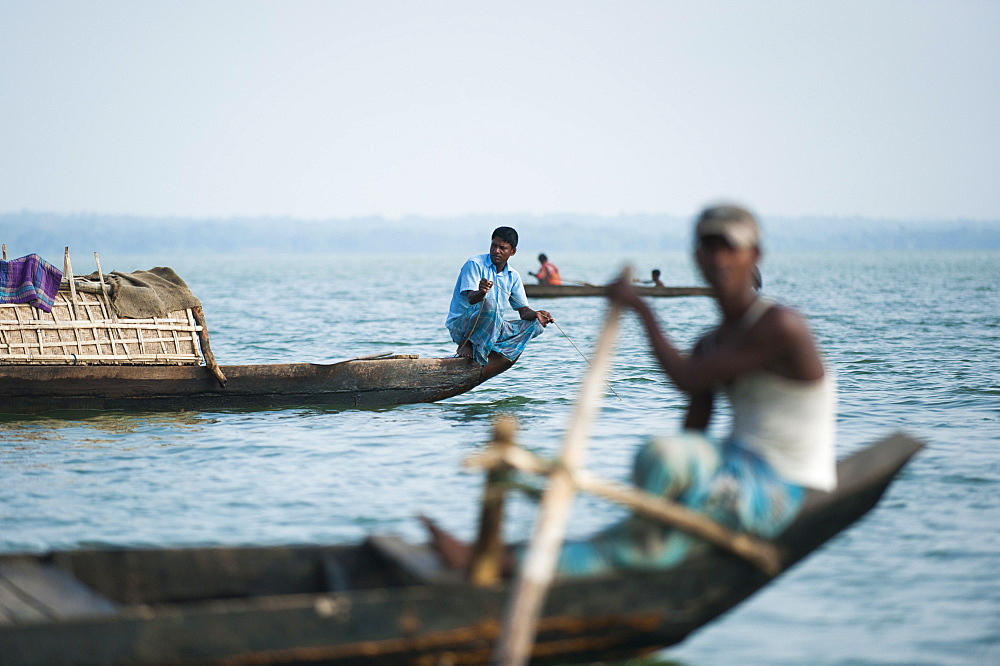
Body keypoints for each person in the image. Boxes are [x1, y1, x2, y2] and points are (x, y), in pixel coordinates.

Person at [425, 204, 836, 575]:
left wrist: (639, 308)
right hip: (733, 462)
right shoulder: (712, 343)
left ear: (754, 257)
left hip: (783, 483)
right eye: (708, 249)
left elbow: (687, 379)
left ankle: (518, 562)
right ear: (697, 258)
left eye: (730, 248)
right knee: (659, 458)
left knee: (652, 492)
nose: (719, 259)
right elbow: (695, 423)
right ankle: (639, 539)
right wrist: (672, 491)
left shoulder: (781, 326)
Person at [446, 227, 554, 366]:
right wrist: (481, 292)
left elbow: (523, 312)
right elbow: (472, 298)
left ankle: (494, 351)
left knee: (536, 325)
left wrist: (537, 314)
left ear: (512, 251)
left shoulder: (513, 276)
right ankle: (467, 344)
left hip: (491, 328)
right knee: (489, 303)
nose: (496, 251)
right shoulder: (474, 264)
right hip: (463, 326)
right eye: (494, 245)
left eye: (502, 248)